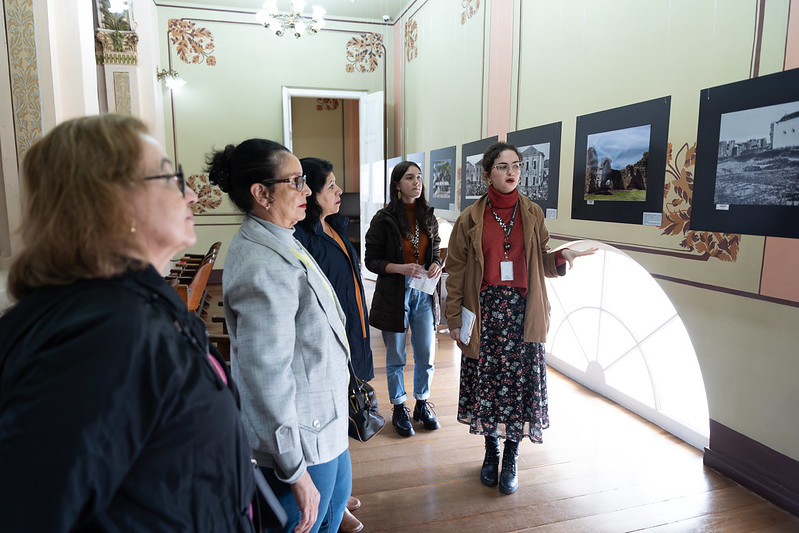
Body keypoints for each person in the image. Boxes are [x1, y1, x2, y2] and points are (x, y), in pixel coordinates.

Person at [0, 114, 256, 531]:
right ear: (113, 202)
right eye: (171, 178)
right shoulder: (106, 334)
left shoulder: (129, 307)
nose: (192, 194)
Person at [207, 140, 351, 533]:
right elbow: (265, 378)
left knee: (333, 512)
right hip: (301, 442)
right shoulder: (261, 265)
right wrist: (295, 470)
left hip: (324, 421)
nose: (307, 189)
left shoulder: (281, 236)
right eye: (296, 181)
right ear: (262, 193)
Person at [445, 141, 596, 495]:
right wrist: (454, 317)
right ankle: (491, 450)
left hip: (522, 313)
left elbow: (542, 259)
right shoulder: (470, 218)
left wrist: (562, 258)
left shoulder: (532, 212)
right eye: (503, 166)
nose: (511, 172)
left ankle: (511, 456)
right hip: (485, 312)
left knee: (518, 388)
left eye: (516, 165)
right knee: (488, 385)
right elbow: (456, 270)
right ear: (487, 175)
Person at [293, 157, 371, 533]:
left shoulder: (334, 226)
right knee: (333, 417)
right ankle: (332, 504)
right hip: (331, 342)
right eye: (330, 186)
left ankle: (340, 493)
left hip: (352, 330)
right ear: (310, 194)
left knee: (345, 412)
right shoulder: (304, 238)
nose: (339, 191)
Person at [365, 161, 443, 438]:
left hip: (424, 293)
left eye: (419, 177)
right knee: (396, 356)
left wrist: (436, 264)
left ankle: (422, 403)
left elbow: (435, 250)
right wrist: (400, 268)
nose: (416, 182)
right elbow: (371, 261)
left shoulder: (428, 216)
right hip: (394, 294)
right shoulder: (383, 218)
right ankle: (399, 406)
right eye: (410, 178)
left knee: (426, 353)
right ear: (397, 184)